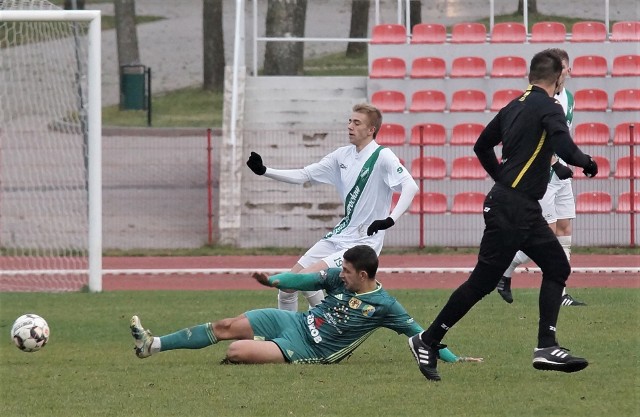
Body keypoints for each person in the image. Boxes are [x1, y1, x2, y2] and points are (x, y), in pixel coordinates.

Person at [408, 50, 598, 381]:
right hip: (513, 206)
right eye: (565, 72)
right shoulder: (549, 107)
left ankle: (546, 347)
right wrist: (588, 163)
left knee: (554, 266)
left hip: (515, 204)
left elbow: (482, 146)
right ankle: (427, 339)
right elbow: (566, 149)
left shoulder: (514, 106)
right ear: (558, 77)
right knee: (485, 280)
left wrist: (502, 182)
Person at [130, 245, 483, 365]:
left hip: (308, 348)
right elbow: (303, 281)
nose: (338, 274)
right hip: (295, 323)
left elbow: (424, 335)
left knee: (236, 351)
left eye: (344, 271)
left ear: (362, 275)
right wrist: (274, 281)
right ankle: (152, 344)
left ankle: (263, 349)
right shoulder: (338, 279)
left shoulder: (384, 306)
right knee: (225, 325)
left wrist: (456, 359)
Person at [245, 103, 419, 312]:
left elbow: (410, 186)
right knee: (288, 288)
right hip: (340, 235)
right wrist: (265, 171)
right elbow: (305, 175)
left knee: (304, 279)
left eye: (357, 122)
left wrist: (389, 220)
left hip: (362, 242)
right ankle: (287, 336)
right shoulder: (341, 155)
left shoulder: (382, 156)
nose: (350, 126)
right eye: (349, 121)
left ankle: (317, 328)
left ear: (371, 129)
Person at [496, 48, 585, 307]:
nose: (567, 72)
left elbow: (562, 136)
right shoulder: (543, 101)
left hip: (562, 175)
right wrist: (555, 163)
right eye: (564, 67)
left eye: (567, 67)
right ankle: (505, 269)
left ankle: (561, 292)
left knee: (566, 229)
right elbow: (539, 138)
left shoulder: (569, 98)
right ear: (558, 72)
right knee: (547, 235)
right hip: (545, 175)